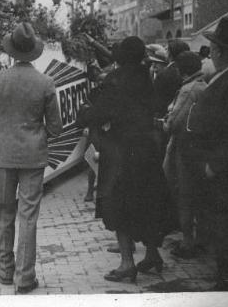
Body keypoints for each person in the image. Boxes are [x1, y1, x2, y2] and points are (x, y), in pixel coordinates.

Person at [78, 36, 172, 283]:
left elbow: (100, 113)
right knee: (148, 202)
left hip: (121, 150)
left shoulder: (115, 81)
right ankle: (152, 255)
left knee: (118, 204)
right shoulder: (146, 77)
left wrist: (85, 112)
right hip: (147, 149)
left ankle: (126, 263)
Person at [0, 22, 63, 294]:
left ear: (12, 51)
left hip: (3, 155)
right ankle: (25, 278)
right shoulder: (46, 82)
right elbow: (56, 128)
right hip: (33, 157)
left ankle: (5, 270)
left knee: (3, 213)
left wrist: (6, 127)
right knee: (28, 216)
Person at [186, 17, 228, 291]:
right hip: (214, 169)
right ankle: (225, 276)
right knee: (220, 226)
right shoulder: (226, 77)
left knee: (226, 227)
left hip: (222, 173)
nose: (211, 52)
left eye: (214, 48)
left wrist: (214, 165)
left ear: (220, 51)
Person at [162, 51, 207, 259]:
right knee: (197, 196)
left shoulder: (188, 90)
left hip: (185, 150)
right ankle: (200, 239)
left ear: (182, 70)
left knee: (184, 196)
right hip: (199, 149)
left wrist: (163, 123)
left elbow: (174, 122)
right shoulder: (204, 84)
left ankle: (188, 243)